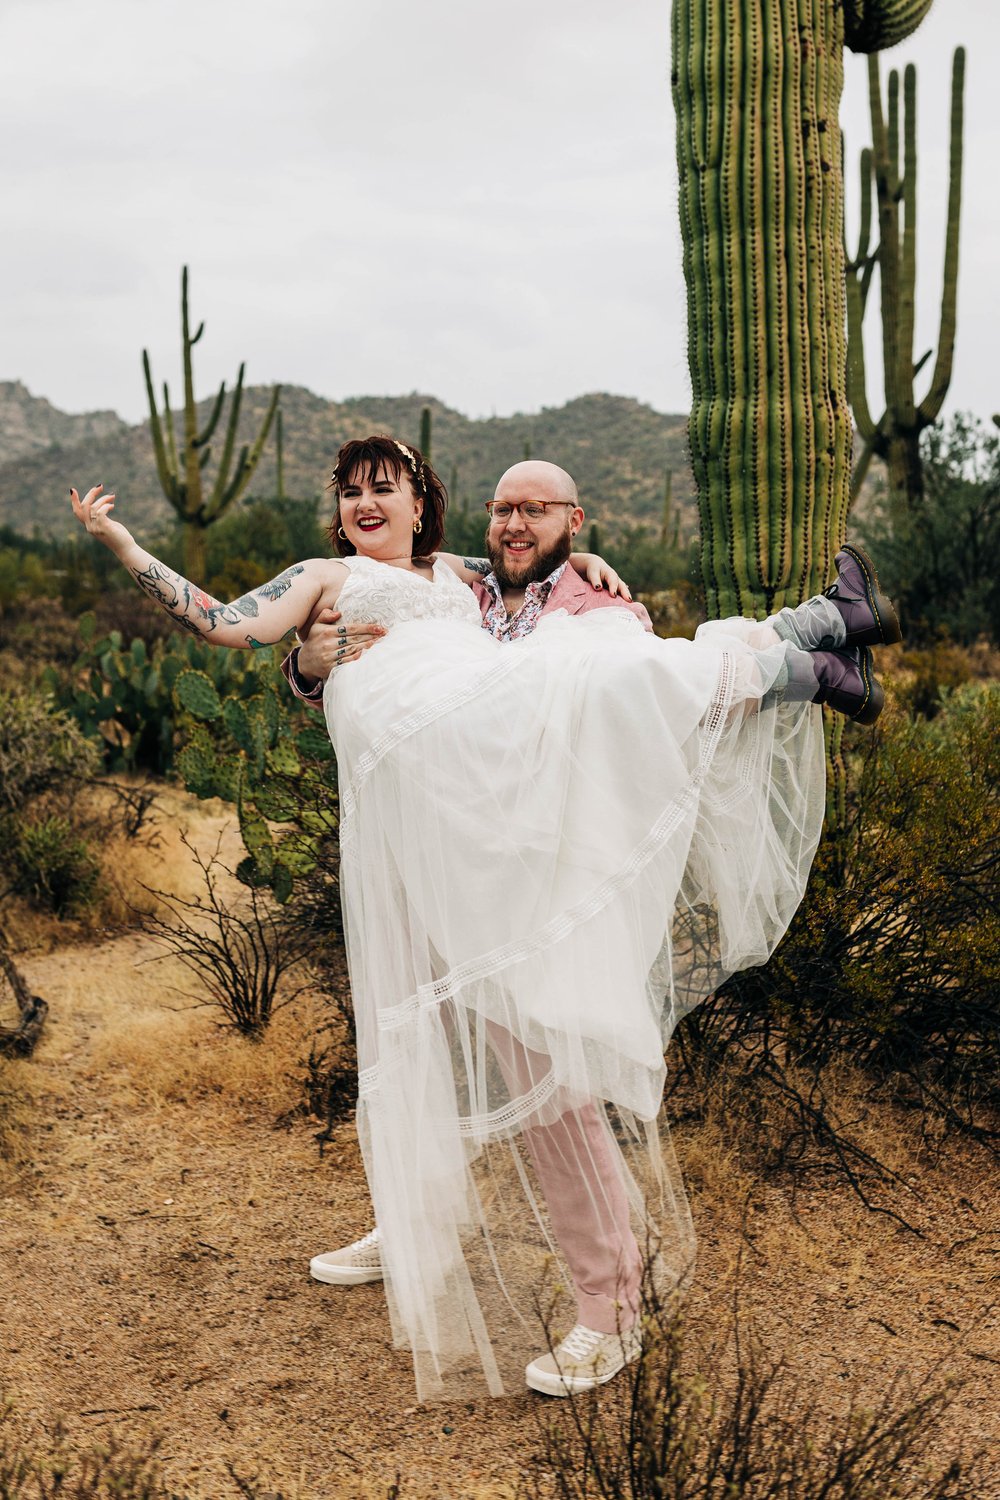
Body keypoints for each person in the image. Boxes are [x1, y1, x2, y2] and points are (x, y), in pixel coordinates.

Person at [70, 436, 900, 1403]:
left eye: (386, 487)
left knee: (532, 1038)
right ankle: (415, 1221)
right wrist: (129, 547)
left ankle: (805, 655)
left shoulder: (469, 574)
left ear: (424, 504)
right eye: (350, 491)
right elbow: (220, 623)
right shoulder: (324, 576)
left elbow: (562, 584)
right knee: (405, 1022)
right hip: (409, 815)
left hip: (492, 817)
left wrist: (581, 561)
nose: (365, 502)